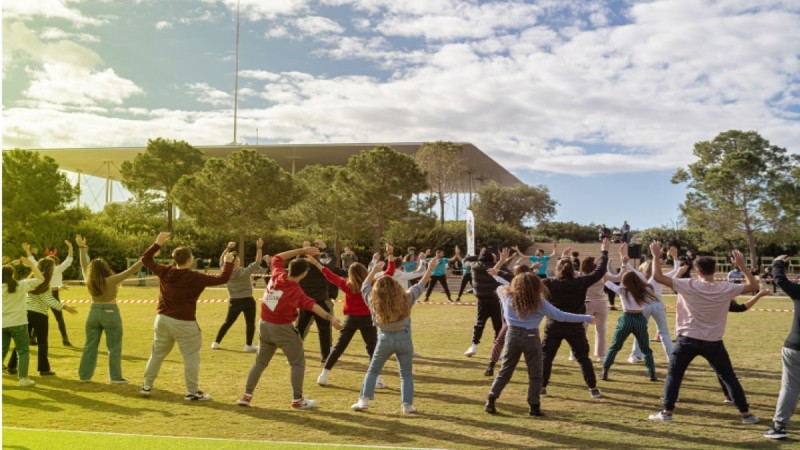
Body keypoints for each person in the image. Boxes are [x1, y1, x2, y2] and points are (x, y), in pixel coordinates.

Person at [647, 242, 760, 424]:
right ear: (714, 270)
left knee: (674, 375)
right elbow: (753, 285)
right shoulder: (726, 287)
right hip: (713, 341)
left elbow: (657, 276)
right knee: (728, 377)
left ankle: (666, 413)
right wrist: (741, 266)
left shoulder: (688, 284)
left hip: (687, 339)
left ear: (697, 271)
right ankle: (745, 415)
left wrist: (655, 256)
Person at [237, 246, 343, 409]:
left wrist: (302, 249)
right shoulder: (296, 291)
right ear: (304, 274)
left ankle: (246, 395)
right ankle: (297, 399)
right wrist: (331, 318)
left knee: (260, 362)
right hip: (282, 329)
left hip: (264, 325)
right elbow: (313, 306)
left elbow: (278, 256)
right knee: (298, 362)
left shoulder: (277, 274)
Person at [139, 232, 234, 401]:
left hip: (162, 319)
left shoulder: (166, 271)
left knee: (157, 354)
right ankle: (192, 392)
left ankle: (146, 386)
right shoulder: (195, 277)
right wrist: (228, 263)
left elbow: (145, 259)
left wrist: (157, 244)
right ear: (189, 260)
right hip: (185, 322)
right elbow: (223, 278)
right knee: (191, 357)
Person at [484, 271, 594, 417]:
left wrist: (510, 284)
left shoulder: (506, 295)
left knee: (505, 370)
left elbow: (500, 288)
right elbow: (560, 316)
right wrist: (586, 318)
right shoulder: (539, 301)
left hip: (512, 335)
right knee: (535, 374)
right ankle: (534, 406)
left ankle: (491, 400)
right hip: (531, 337)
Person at [350, 256, 436, 414]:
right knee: (406, 374)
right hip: (404, 339)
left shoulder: (372, 300)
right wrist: (429, 269)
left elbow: (364, 286)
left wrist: (374, 271)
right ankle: (407, 405)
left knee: (373, 370)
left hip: (384, 339)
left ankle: (363, 401)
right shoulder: (406, 298)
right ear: (396, 287)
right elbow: (421, 284)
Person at [540, 239, 608, 399]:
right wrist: (604, 252)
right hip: (574, 325)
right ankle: (593, 388)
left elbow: (526, 280)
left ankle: (542, 387)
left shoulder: (549, 282)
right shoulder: (580, 282)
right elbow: (599, 272)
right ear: (574, 270)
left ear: (557, 270)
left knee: (547, 357)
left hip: (554, 325)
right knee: (583, 358)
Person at [76, 234, 144, 383]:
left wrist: (81, 247)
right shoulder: (112, 280)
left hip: (93, 312)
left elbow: (83, 265)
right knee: (114, 347)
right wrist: (145, 258)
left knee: (90, 346)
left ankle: (84, 376)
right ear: (105, 268)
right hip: (110, 313)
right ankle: (115, 377)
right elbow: (131, 270)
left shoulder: (89, 280)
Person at [309, 255, 383, 389]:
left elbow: (329, 275)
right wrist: (383, 264)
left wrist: (316, 263)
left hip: (351, 319)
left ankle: (323, 375)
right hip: (367, 319)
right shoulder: (373, 283)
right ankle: (376, 379)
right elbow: (388, 274)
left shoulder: (346, 285)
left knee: (339, 347)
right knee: (372, 348)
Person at [8, 245, 78, 376]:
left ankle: (12, 366)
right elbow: (47, 299)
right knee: (42, 342)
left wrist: (57, 288)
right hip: (39, 315)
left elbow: (37, 292)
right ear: (50, 269)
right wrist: (65, 307)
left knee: (22, 342)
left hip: (26, 314)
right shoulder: (44, 281)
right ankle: (44, 369)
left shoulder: (32, 279)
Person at [599, 270, 659, 381]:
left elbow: (606, 282)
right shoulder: (645, 290)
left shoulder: (622, 291)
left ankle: (604, 371)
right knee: (645, 349)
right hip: (639, 319)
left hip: (626, 318)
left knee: (615, 346)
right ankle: (652, 374)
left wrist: (602, 268)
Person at [764, 255, 800, 439]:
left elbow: (780, 280)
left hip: (795, 346)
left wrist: (778, 263)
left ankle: (779, 427)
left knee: (790, 387)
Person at [626, 245, 679, 364]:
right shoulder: (660, 277)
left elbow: (629, 268)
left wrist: (624, 260)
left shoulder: (641, 277)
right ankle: (671, 358)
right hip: (658, 304)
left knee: (640, 331)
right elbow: (676, 270)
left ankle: (636, 356)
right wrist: (674, 257)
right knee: (664, 332)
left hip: (645, 305)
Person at [211, 239, 264, 352]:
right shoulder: (244, 272)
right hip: (247, 300)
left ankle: (216, 342)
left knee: (227, 323)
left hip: (234, 301)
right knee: (250, 323)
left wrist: (228, 248)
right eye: (238, 260)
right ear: (235, 262)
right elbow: (258, 261)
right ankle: (248, 345)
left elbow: (222, 259)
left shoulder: (225, 271)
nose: (239, 261)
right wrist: (259, 248)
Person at [3, 255, 45, 386]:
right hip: (19, 323)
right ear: (13, 274)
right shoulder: (21, 285)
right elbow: (40, 279)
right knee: (23, 351)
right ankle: (23, 379)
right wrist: (33, 266)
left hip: (2, 324)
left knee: (1, 351)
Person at [296, 239, 338, 364]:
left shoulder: (301, 270)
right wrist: (325, 247)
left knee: (299, 330)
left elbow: (295, 262)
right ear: (318, 256)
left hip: (305, 302)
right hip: (321, 302)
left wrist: (303, 250)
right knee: (324, 331)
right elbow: (333, 259)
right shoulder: (324, 268)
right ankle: (325, 358)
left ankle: (294, 355)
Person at [463, 248, 503, 358]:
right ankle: (497, 350)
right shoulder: (498, 267)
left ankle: (473, 346)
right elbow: (508, 273)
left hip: (482, 300)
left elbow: (464, 260)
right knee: (498, 325)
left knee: (479, 323)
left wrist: (477, 256)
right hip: (496, 300)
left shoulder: (475, 265)